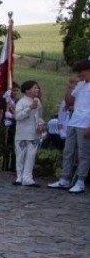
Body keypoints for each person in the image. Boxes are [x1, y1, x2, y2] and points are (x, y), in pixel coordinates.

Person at [48, 59, 90, 194]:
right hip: (73, 121)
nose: (80, 77)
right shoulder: (81, 84)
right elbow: (69, 102)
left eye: (82, 74)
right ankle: (65, 179)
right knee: (68, 151)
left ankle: (80, 181)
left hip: (85, 123)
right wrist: (70, 87)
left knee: (83, 154)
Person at [13, 80, 44, 187]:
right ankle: (19, 177)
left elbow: (39, 116)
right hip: (23, 133)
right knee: (21, 155)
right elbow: (17, 116)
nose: (37, 90)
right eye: (35, 88)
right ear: (27, 90)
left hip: (34, 134)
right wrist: (29, 108)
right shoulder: (21, 102)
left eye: (37, 88)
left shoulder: (38, 102)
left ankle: (28, 178)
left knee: (31, 156)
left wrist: (40, 124)